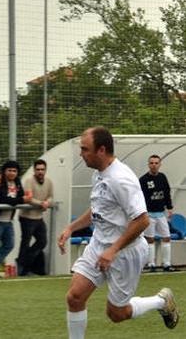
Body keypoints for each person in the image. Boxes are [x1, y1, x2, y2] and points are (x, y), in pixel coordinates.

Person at [57, 126, 179, 337]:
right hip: (99, 245)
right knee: (74, 297)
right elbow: (98, 209)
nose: (81, 154)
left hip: (125, 252)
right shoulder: (99, 173)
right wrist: (71, 227)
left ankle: (161, 301)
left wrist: (112, 250)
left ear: (101, 150)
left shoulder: (121, 179)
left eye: (85, 149)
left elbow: (142, 221)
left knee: (116, 313)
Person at [0, 160, 28, 278]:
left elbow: (20, 195)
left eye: (14, 171)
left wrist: (19, 199)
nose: (12, 173)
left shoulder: (17, 182)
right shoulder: (0, 183)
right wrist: (20, 200)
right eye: (9, 170)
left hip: (8, 221)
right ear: (4, 171)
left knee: (9, 244)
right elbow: (3, 199)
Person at [139, 154, 176, 272]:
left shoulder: (162, 177)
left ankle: (166, 264)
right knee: (150, 239)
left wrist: (169, 207)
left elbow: (167, 192)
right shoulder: (143, 180)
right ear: (148, 164)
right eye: (152, 163)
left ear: (160, 164)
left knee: (166, 237)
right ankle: (151, 264)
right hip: (149, 214)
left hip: (161, 213)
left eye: (156, 163)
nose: (154, 165)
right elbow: (139, 197)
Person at [17, 159, 53, 276]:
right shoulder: (29, 181)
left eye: (42, 169)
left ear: (46, 170)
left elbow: (51, 196)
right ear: (34, 170)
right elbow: (29, 198)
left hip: (38, 217)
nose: (40, 172)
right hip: (27, 217)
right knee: (25, 242)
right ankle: (22, 269)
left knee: (42, 241)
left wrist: (47, 202)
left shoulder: (49, 182)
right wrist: (41, 204)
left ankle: (24, 261)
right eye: (38, 169)